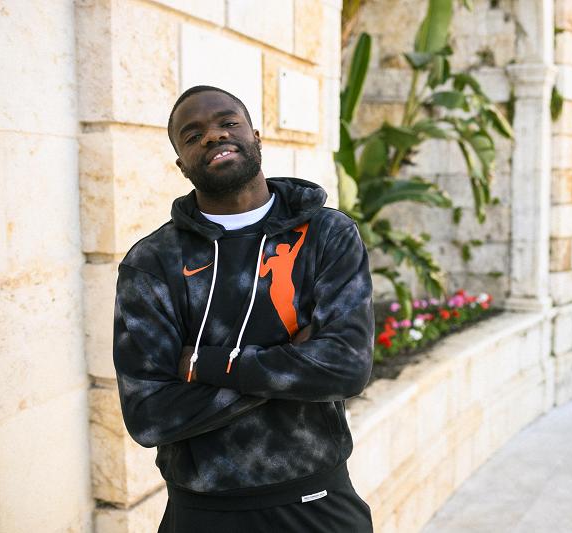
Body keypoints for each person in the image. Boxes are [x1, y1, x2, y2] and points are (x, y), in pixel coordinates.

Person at [112, 85, 375, 532]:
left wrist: (206, 364)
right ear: (181, 164)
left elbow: (346, 367)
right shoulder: (152, 262)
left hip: (316, 501)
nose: (213, 136)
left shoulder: (326, 234)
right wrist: (293, 363)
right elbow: (149, 415)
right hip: (202, 512)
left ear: (255, 136)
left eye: (227, 123)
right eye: (192, 135)